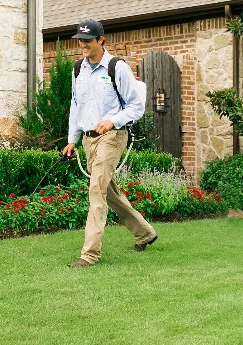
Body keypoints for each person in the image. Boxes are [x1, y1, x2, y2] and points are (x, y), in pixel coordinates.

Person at [62, 19, 158, 267]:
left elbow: (136, 107)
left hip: (112, 138)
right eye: (80, 40)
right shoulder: (77, 70)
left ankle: (89, 255)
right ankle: (145, 233)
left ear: (101, 40)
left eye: (87, 40)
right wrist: (72, 140)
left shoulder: (117, 68)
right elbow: (75, 106)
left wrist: (112, 121)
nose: (82, 44)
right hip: (88, 141)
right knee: (109, 192)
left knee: (96, 189)